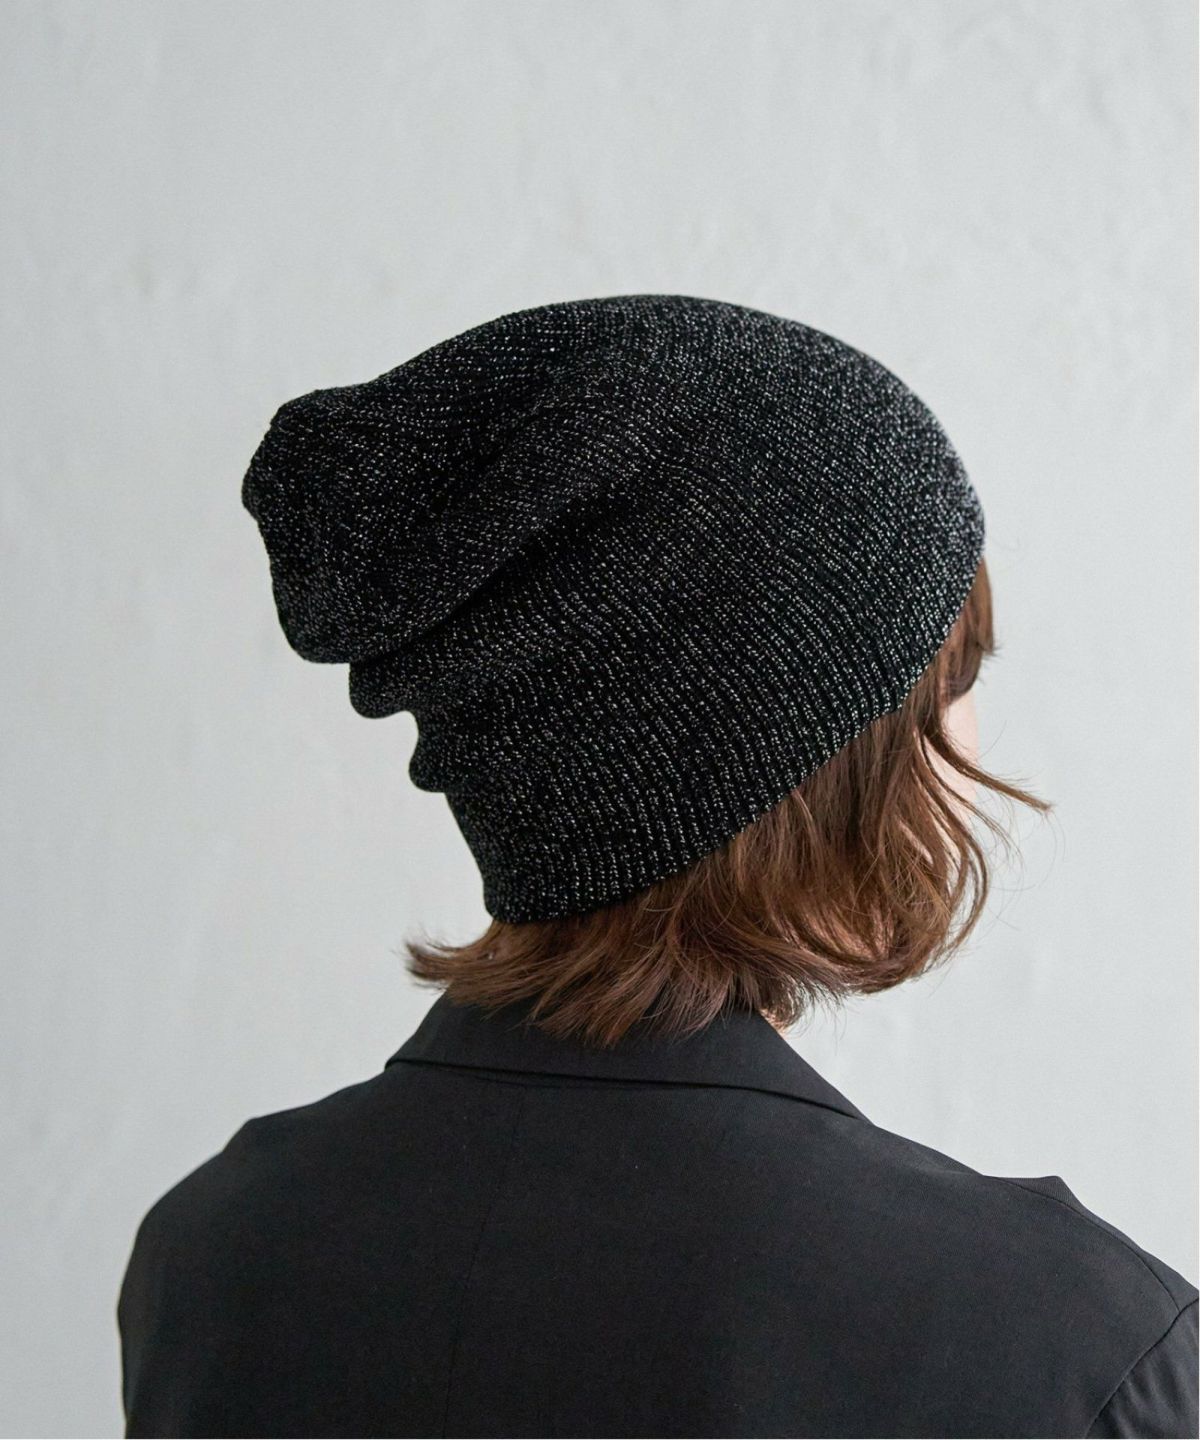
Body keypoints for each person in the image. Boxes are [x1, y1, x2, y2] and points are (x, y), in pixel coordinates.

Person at [117, 296, 1198, 1438]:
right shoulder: (1063, 1343)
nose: (971, 746)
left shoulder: (213, 1256)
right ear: (793, 763)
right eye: (955, 677)